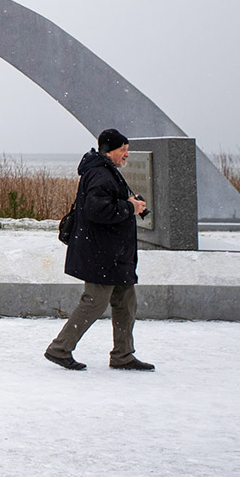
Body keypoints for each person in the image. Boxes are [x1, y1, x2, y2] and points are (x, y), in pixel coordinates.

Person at [45, 129, 155, 371]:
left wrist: (129, 204)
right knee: (94, 302)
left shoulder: (105, 172)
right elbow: (97, 210)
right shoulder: (100, 174)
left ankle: (123, 354)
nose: (127, 154)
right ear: (110, 151)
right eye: (123, 150)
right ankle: (59, 349)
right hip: (101, 253)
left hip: (114, 254)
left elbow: (103, 205)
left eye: (127, 149)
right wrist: (129, 207)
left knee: (126, 302)